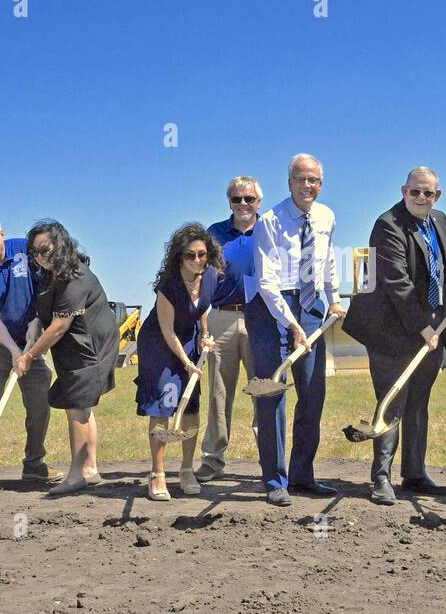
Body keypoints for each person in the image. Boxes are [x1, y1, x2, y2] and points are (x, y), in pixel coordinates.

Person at [343, 167, 446, 504]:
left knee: (418, 403)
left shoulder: (439, 220)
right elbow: (396, 281)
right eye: (415, 192)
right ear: (403, 191)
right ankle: (381, 478)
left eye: (429, 193)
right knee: (391, 402)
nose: (422, 198)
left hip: (432, 325)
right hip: (391, 330)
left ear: (437, 195)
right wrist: (423, 326)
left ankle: (415, 473)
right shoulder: (388, 225)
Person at [246, 153, 345, 506]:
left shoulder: (326, 216)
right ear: (289, 182)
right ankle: (275, 481)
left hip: (312, 306)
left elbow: (328, 259)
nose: (307, 185)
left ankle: (303, 476)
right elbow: (266, 281)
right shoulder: (269, 221)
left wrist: (334, 298)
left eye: (313, 180)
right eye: (301, 179)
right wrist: (290, 323)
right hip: (272, 309)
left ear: (321, 183)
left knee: (313, 392)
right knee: (272, 393)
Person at [0, 214, 63, 495]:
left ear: (2, 234)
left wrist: (36, 325)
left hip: (31, 341)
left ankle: (34, 464)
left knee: (40, 403)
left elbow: (45, 287)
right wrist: (15, 351)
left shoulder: (25, 250)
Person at [15, 221, 119, 497]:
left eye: (45, 250)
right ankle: (90, 468)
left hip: (89, 349)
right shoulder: (53, 274)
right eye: (35, 252)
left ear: (60, 246)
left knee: (76, 407)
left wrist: (29, 356)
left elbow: (60, 326)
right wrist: (36, 322)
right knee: (82, 407)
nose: (40, 257)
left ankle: (76, 474)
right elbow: (49, 313)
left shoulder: (75, 277)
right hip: (74, 349)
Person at [135, 224, 223, 500]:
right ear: (179, 257)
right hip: (161, 345)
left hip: (189, 340)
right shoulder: (169, 287)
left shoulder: (211, 276)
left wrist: (205, 335)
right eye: (189, 255)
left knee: (191, 406)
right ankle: (158, 473)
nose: (197, 260)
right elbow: (167, 330)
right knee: (164, 405)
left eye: (201, 254)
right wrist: (186, 362)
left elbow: (203, 307)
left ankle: (186, 470)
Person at [195, 176, 261, 483]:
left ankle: (271, 460)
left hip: (261, 318)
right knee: (219, 394)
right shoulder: (214, 233)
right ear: (229, 202)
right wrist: (202, 322)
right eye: (237, 199)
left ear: (258, 202)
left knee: (264, 390)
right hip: (222, 316)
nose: (243, 204)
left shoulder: (270, 230)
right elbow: (200, 278)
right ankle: (213, 460)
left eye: (249, 199)